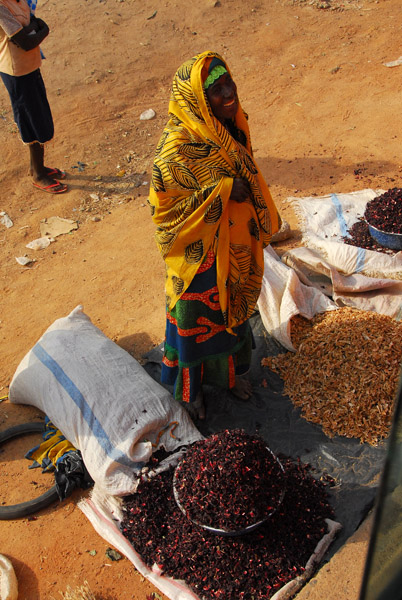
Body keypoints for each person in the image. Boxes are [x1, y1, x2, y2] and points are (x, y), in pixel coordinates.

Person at [148, 51, 281, 420]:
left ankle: (229, 378)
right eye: (216, 90)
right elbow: (164, 211)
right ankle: (192, 394)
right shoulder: (176, 148)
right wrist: (221, 192)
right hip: (198, 256)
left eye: (229, 83)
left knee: (232, 315)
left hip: (233, 246)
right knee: (194, 320)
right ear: (197, 100)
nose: (228, 94)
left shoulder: (231, 126)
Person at [0, 0, 67, 193]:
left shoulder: (18, 2)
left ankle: (37, 167)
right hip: (16, 72)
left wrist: (34, 30)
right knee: (31, 120)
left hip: (29, 66)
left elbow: (32, 28)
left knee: (38, 116)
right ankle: (39, 175)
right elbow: (27, 41)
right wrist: (42, 30)